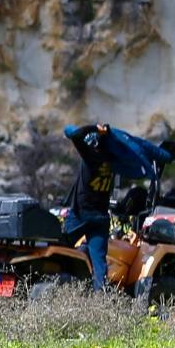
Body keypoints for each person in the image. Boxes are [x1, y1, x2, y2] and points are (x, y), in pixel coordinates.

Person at [61, 122, 117, 290]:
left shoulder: (91, 157)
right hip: (100, 217)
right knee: (99, 263)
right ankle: (100, 299)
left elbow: (75, 135)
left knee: (59, 246)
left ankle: (58, 283)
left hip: (82, 215)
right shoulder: (111, 161)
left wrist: (94, 127)